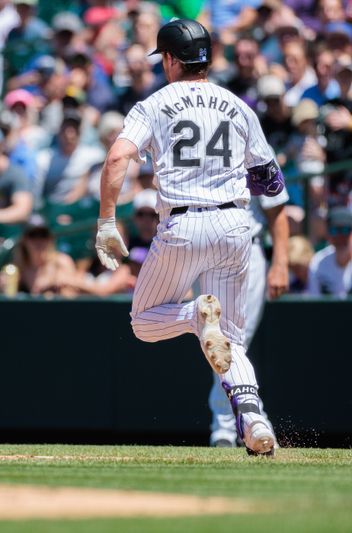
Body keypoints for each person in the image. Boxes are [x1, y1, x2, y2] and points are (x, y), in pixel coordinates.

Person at [95, 19, 283, 456]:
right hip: (236, 226)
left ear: (169, 59)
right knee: (230, 340)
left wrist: (107, 221)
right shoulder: (238, 105)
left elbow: (118, 156)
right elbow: (271, 182)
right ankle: (253, 422)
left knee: (144, 323)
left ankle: (196, 316)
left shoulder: (155, 104)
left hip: (184, 222)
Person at [207, 183, 291, 447]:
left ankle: (228, 428)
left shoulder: (254, 148)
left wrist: (280, 263)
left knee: (232, 344)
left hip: (248, 250)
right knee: (216, 342)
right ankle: (254, 421)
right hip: (206, 252)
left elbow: (277, 212)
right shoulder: (202, 148)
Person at [4, 214, 79, 297]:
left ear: (50, 238)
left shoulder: (61, 263)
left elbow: (71, 297)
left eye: (43, 235)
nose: (38, 240)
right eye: (33, 235)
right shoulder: (17, 268)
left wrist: (60, 282)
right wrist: (3, 287)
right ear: (24, 240)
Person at [307, 206, 352, 297]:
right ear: (328, 235)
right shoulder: (318, 261)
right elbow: (314, 301)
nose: (340, 237)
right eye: (334, 231)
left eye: (345, 230)